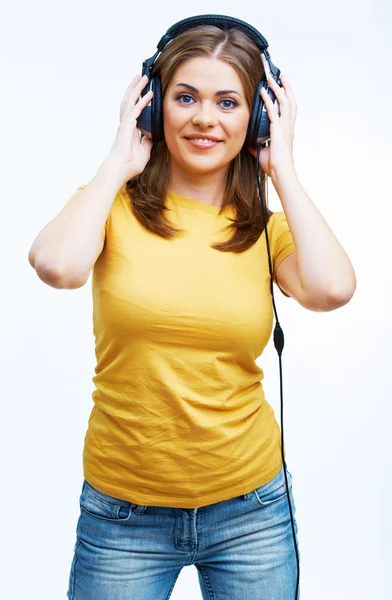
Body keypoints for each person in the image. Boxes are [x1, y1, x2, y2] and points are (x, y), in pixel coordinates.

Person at [28, 21, 356, 600]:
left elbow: (331, 289)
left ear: (256, 118)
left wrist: (284, 169)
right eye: (186, 97)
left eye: (228, 102)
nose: (205, 118)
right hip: (123, 514)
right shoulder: (109, 207)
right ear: (154, 108)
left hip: (250, 510)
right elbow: (57, 266)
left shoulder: (266, 231)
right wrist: (117, 161)